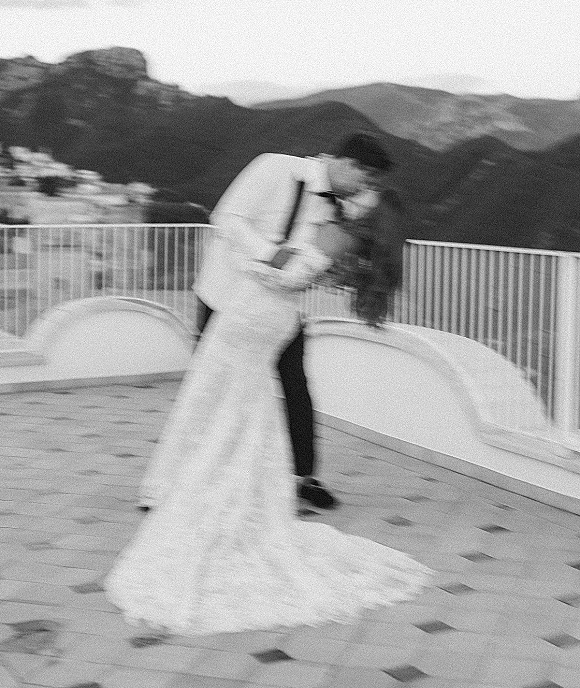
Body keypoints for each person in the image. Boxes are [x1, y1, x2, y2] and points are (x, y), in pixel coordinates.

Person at [104, 166, 432, 637]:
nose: (359, 195)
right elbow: (302, 276)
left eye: (368, 193)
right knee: (242, 407)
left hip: (252, 318)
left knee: (218, 401)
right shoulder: (347, 238)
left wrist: (254, 261)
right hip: (268, 323)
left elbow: (285, 278)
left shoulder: (337, 234)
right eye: (363, 186)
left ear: (372, 210)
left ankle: (206, 490)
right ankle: (220, 485)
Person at [138, 133, 395, 513]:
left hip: (279, 310)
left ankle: (303, 478)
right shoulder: (274, 167)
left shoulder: (337, 211)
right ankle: (185, 477)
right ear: (346, 163)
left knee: (295, 385)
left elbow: (317, 257)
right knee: (211, 388)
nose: (364, 188)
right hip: (225, 298)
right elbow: (225, 217)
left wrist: (328, 269)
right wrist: (271, 255)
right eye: (366, 177)